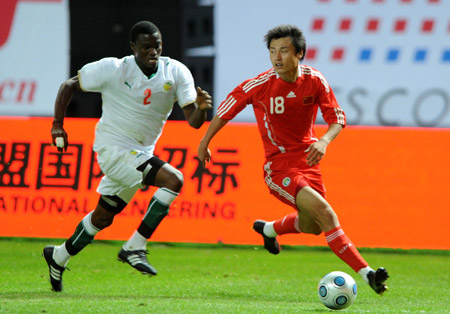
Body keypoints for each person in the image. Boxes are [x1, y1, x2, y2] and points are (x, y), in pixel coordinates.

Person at [197, 25, 389, 295]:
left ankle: (270, 229)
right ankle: (367, 273)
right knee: (326, 214)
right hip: (278, 167)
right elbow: (227, 109)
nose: (277, 58)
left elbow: (337, 119)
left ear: (299, 53)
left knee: (311, 226)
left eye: (284, 51)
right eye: (273, 51)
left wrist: (323, 141)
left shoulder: (314, 80)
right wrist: (205, 142)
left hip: (309, 163)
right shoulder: (260, 84)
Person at [43, 21, 212, 292]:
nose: (153, 51)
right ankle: (135, 246)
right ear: (133, 47)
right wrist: (57, 124)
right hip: (112, 149)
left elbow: (193, 120)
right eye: (146, 47)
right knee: (174, 180)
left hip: (140, 153)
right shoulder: (114, 68)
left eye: (157, 46)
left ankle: (59, 256)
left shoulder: (176, 71)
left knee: (103, 217)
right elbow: (68, 85)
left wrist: (202, 109)